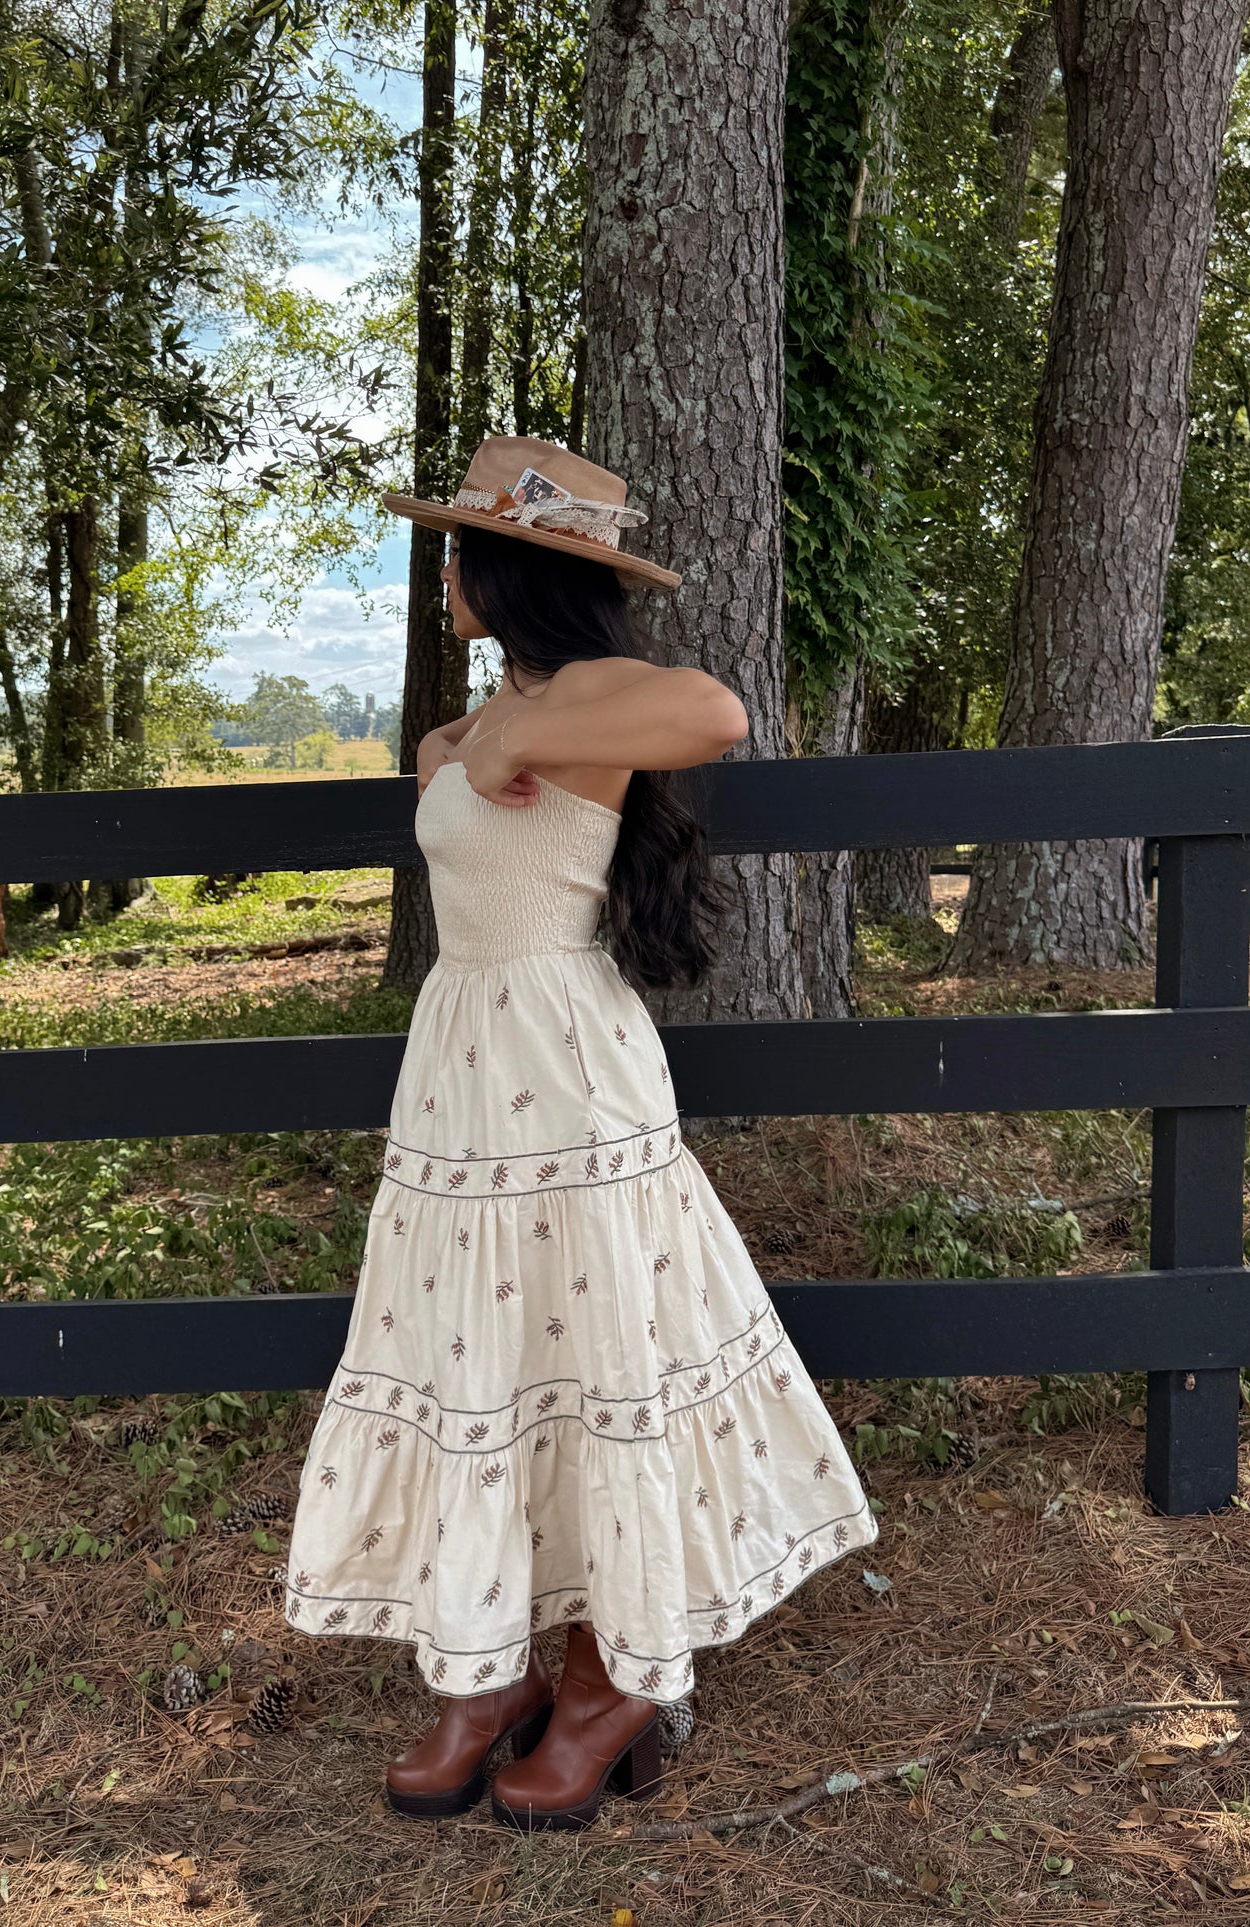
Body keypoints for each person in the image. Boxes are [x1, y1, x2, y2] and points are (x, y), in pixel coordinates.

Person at [280, 434, 878, 1833]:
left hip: (567, 1064)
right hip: (459, 1067)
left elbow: (716, 714)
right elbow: (475, 798)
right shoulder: (482, 712)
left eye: (455, 552)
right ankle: (489, 1665)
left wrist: (518, 734)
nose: (442, 577)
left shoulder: (596, 692)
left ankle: (609, 1679)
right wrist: (471, 738)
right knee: (478, 1353)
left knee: (595, 1341)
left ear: (507, 568)